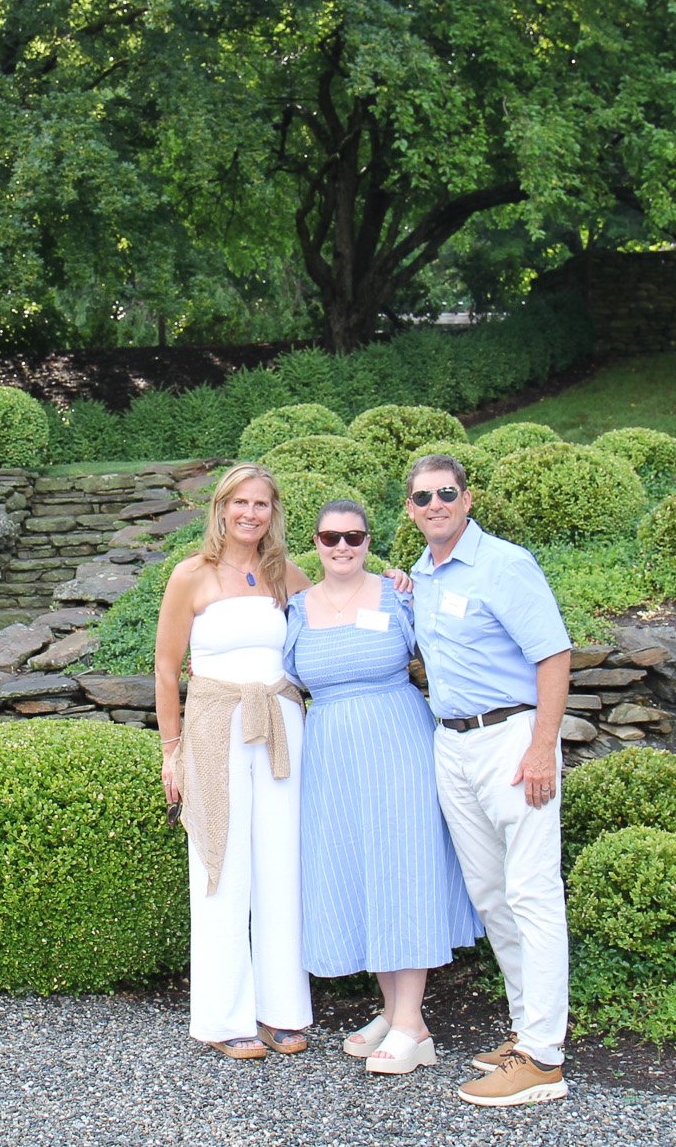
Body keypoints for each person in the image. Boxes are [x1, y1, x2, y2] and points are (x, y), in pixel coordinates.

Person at [285, 500, 482, 1077]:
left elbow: (449, 653)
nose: (342, 547)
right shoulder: (296, 607)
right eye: (330, 537)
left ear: (369, 541)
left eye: (354, 536)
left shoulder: (400, 594)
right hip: (332, 757)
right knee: (361, 870)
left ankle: (412, 1024)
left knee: (402, 867)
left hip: (398, 745)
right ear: (315, 543)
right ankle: (392, 1009)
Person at [404, 453, 575, 1108]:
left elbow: (554, 654)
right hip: (451, 742)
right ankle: (527, 1027)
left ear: (467, 499)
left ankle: (543, 1058)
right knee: (491, 891)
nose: (436, 504)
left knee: (531, 889)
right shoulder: (421, 576)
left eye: (446, 492)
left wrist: (540, 747)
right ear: (412, 510)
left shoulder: (506, 564)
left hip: (511, 739)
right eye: (423, 497)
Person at [154, 462, 314, 1059]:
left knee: (280, 863)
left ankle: (282, 1010)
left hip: (279, 728)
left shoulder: (286, 577)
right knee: (220, 863)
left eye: (262, 504)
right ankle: (224, 1017)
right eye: (239, 502)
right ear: (220, 508)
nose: (250, 513)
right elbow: (168, 670)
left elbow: (342, 606)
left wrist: (396, 588)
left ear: (274, 514)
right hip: (215, 726)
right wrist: (172, 751)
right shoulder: (190, 576)